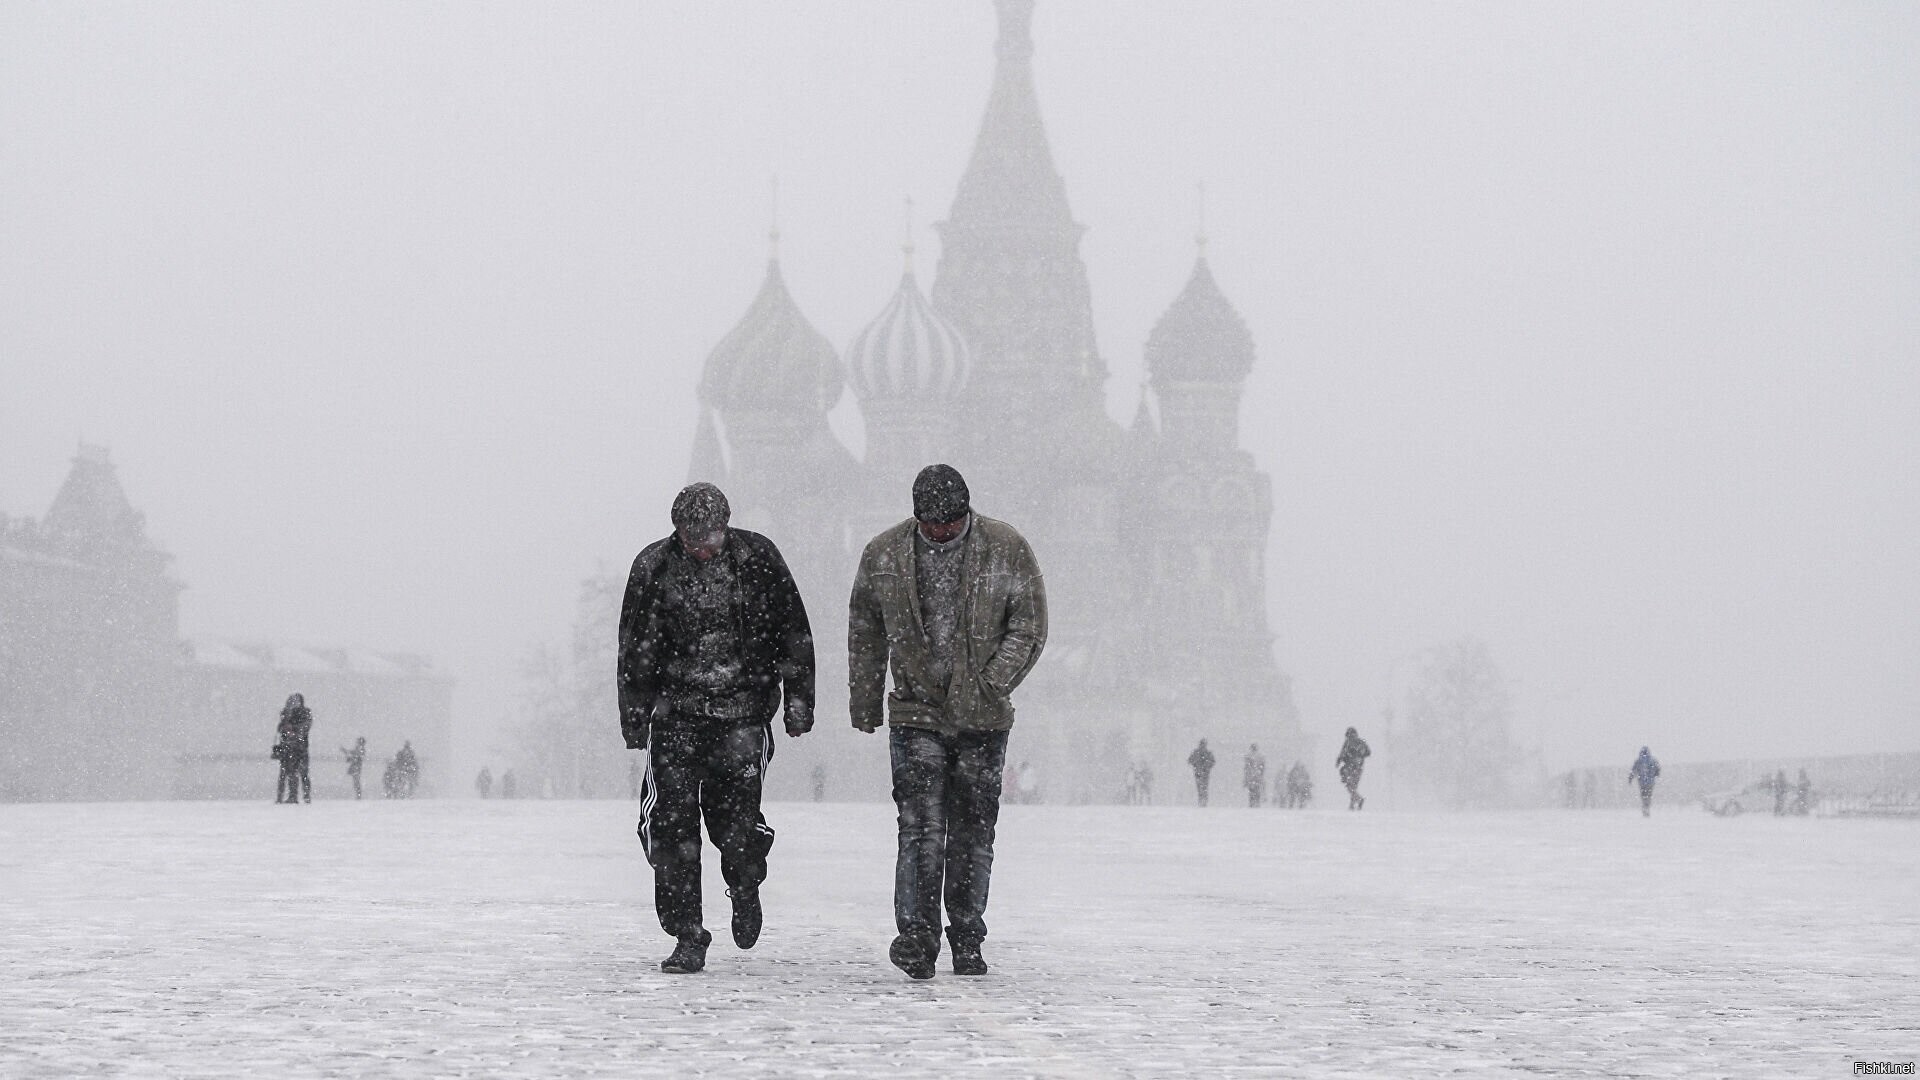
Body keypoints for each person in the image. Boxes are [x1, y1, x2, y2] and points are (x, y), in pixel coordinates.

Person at [849, 464, 1047, 980]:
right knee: (919, 829)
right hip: (916, 712)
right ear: (916, 517)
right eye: (930, 525)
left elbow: (1028, 624)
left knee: (972, 833)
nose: (939, 533)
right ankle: (916, 935)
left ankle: (966, 933)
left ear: (966, 513)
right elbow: (866, 630)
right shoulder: (886, 554)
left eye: (949, 523)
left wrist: (990, 682)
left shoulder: (1005, 548)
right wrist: (866, 701)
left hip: (982, 719)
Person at [618, 482, 816, 975]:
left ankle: (745, 881)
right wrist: (634, 715)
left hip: (743, 714)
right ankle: (688, 932)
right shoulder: (653, 568)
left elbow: (794, 631)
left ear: (725, 528)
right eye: (688, 536)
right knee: (671, 825)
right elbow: (633, 646)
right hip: (676, 715)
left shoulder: (759, 559)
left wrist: (799, 701)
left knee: (736, 825)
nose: (698, 546)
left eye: (706, 536)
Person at [274, 693, 313, 804]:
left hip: (299, 748)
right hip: (287, 747)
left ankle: (303, 796)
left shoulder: (304, 713)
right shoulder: (286, 713)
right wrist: (285, 723)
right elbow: (280, 728)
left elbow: (306, 727)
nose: (293, 703)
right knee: (287, 773)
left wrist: (293, 729)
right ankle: (287, 796)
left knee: (301, 773)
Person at [1336, 727, 1370, 810]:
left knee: (1349, 785)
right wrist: (1360, 756)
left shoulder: (1348, 742)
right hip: (1359, 767)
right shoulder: (1362, 742)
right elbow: (1368, 752)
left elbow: (1342, 753)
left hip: (1349, 766)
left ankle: (1359, 799)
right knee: (1354, 786)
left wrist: (1339, 761)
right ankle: (1352, 805)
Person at [1628, 746, 1660, 817]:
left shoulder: (1638, 761)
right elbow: (1657, 769)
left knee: (1643, 795)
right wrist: (1656, 775)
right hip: (1650, 782)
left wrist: (1630, 778)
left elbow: (1633, 770)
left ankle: (1644, 806)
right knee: (1649, 795)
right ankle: (1647, 806)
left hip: (1641, 782)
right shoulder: (1652, 760)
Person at [1188, 739, 1216, 806]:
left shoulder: (1198, 752)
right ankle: (1203, 800)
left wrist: (1197, 765)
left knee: (1202, 787)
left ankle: (1202, 800)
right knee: (1203, 787)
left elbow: (1190, 760)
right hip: (1201, 773)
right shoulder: (1205, 753)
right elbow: (1190, 760)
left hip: (1201, 772)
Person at [1243, 743, 1267, 808]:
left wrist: (1245, 779)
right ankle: (1256, 803)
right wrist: (1261, 774)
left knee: (1251, 791)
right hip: (1257, 777)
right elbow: (1263, 768)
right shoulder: (1260, 757)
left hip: (1251, 777)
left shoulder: (1248, 756)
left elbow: (1246, 768)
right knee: (1257, 790)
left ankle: (1252, 803)